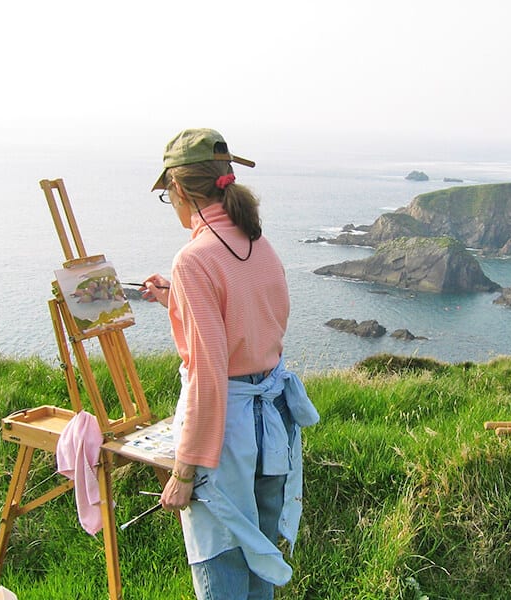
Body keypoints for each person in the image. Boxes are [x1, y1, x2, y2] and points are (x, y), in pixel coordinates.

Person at [141, 128, 319, 600]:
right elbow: (251, 324)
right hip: (272, 429)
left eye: (168, 196)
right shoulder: (259, 244)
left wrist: (184, 470)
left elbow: (208, 373)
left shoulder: (193, 259)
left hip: (228, 437)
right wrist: (175, 300)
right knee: (260, 554)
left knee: (220, 561)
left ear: (179, 189)